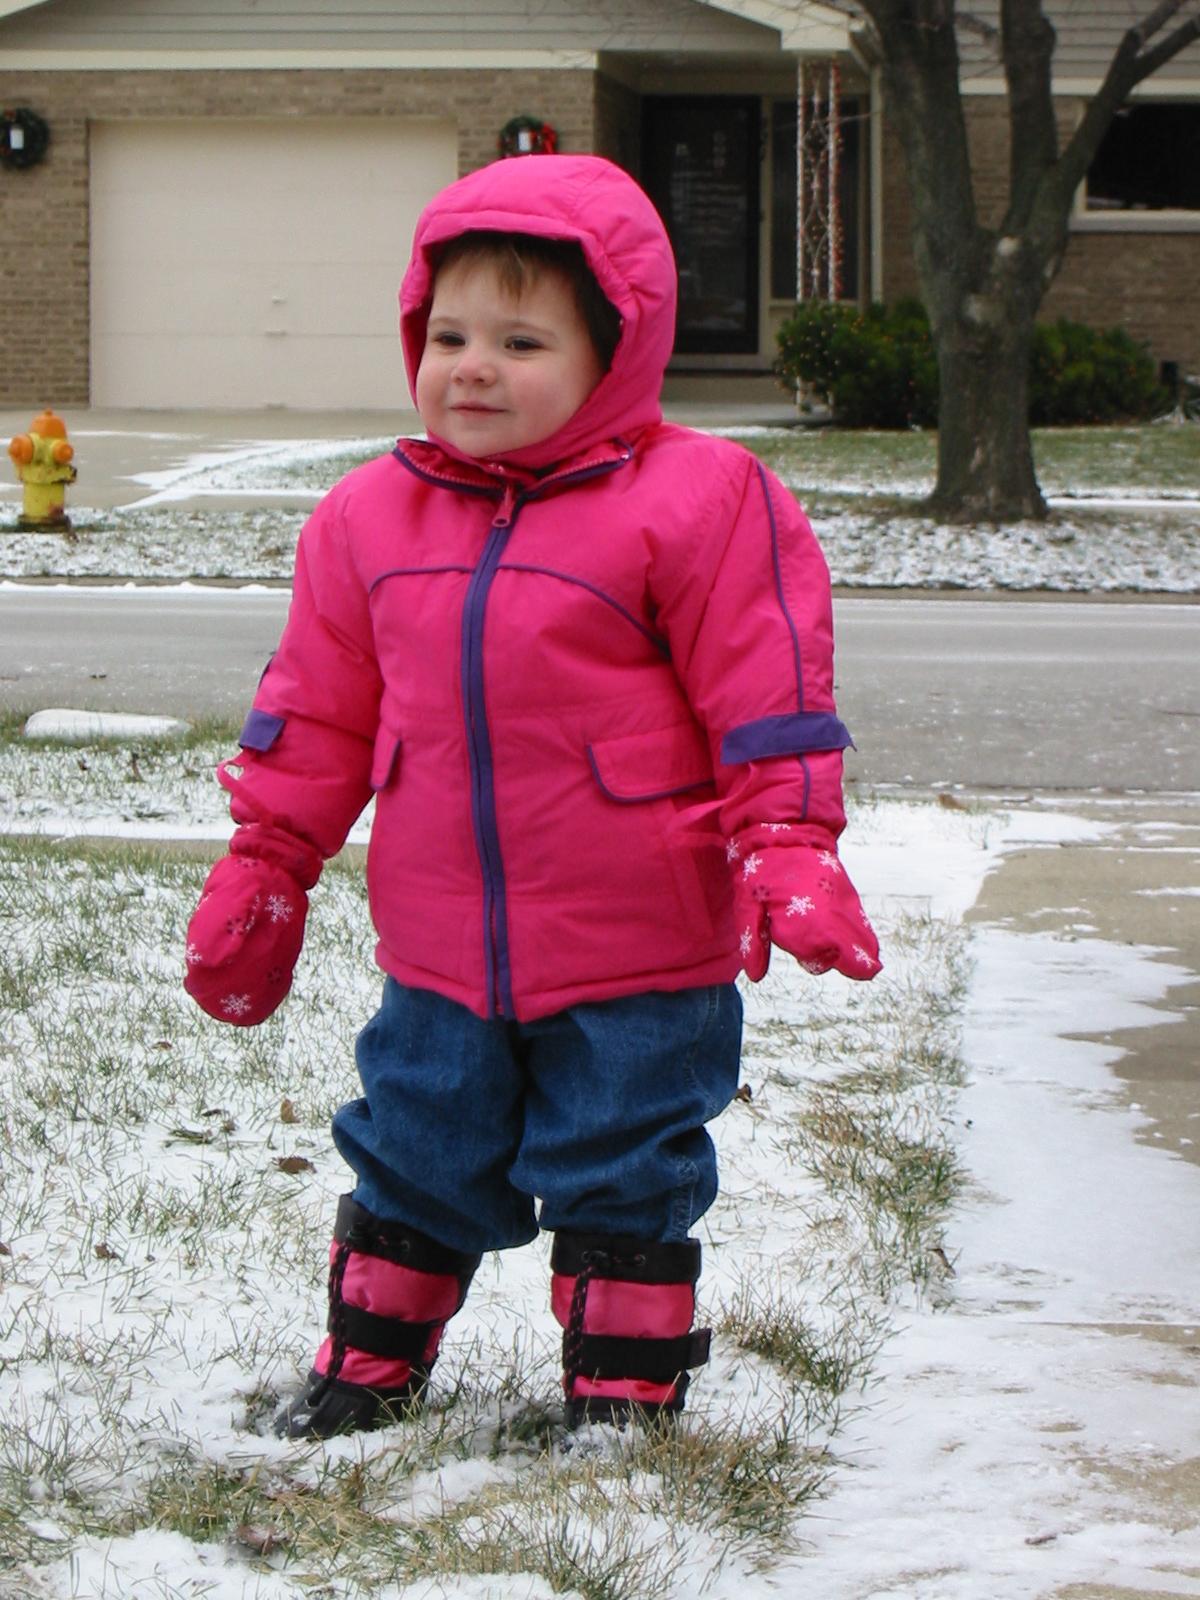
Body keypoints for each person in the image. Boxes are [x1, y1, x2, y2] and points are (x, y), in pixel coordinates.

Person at [183, 153, 881, 1441]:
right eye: (448, 335)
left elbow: (766, 689)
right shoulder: (366, 519)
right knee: (414, 1142)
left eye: (520, 342)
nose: (472, 368)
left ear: (615, 352)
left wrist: (787, 839)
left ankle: (622, 1389)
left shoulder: (700, 502)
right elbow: (318, 712)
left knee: (623, 1157)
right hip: (440, 946)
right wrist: (268, 858)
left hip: (639, 947)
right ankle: (368, 1365)